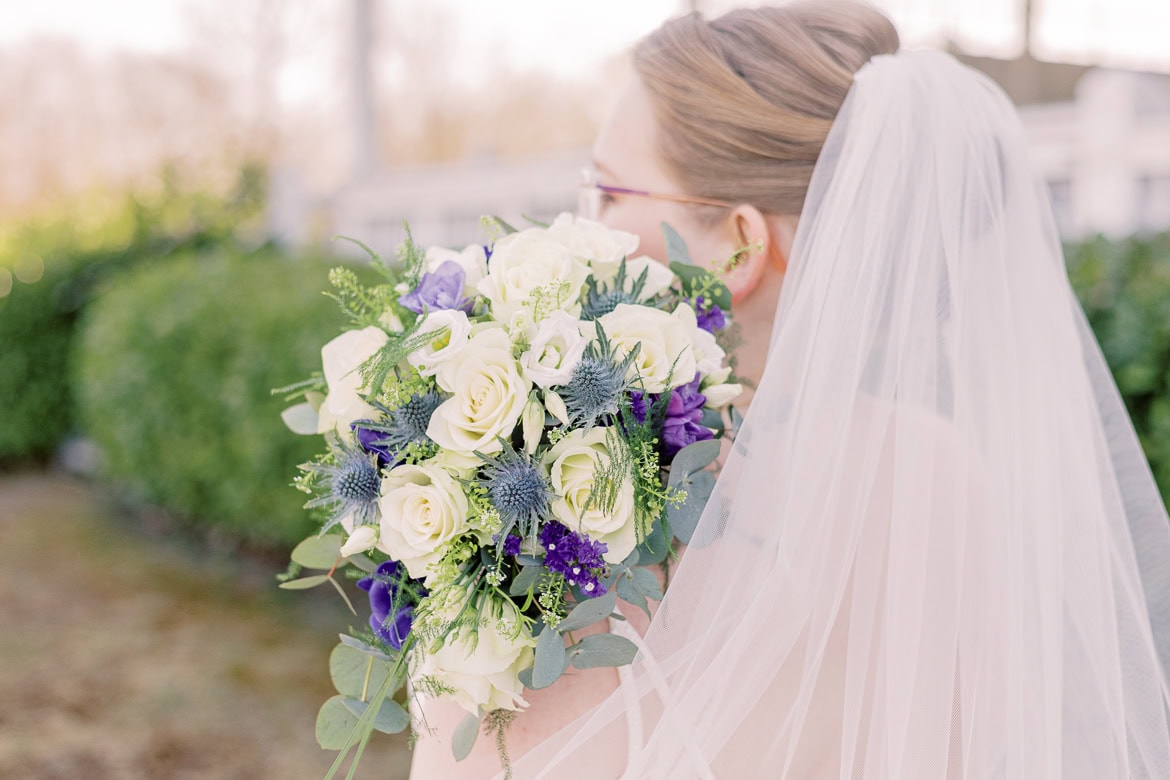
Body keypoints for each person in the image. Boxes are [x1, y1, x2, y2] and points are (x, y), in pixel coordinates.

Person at [419, 2, 1170, 777]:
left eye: (610, 192)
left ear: (738, 246)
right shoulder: (942, 471)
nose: (580, 225)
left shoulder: (568, 523)